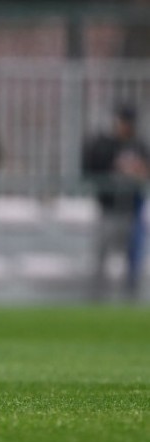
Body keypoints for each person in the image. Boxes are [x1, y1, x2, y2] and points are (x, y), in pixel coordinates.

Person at [82, 104, 149, 301]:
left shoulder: (139, 145)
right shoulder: (104, 144)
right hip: (109, 208)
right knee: (102, 256)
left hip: (132, 209)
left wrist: (137, 171)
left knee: (134, 257)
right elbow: (91, 168)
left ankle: (132, 298)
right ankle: (97, 299)